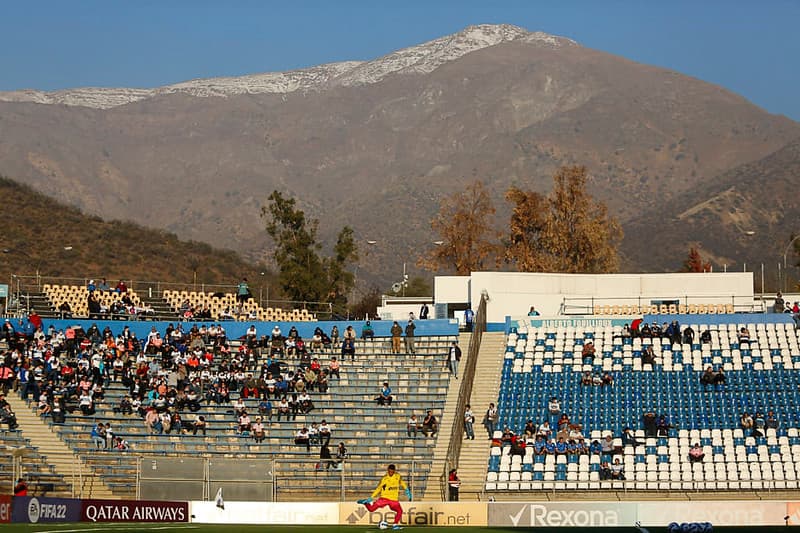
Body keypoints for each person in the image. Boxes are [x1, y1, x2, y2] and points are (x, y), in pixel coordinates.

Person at [357, 464, 412, 530]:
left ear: (394, 471)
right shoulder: (384, 479)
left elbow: (402, 483)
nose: (390, 473)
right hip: (384, 498)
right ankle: (365, 503)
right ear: (388, 470)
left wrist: (406, 490)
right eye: (389, 471)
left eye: (392, 471)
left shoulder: (398, 476)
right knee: (371, 509)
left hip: (394, 500)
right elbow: (378, 489)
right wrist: (371, 497)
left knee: (399, 511)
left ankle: (395, 525)